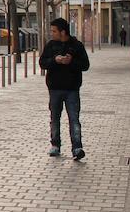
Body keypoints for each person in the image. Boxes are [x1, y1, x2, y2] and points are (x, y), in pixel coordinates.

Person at [39, 17, 91, 160]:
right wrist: (55, 61)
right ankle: (55, 145)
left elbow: (85, 65)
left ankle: (77, 148)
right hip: (54, 88)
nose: (52, 33)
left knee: (74, 118)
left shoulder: (76, 45)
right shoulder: (50, 45)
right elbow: (42, 63)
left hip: (72, 89)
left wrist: (71, 61)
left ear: (63, 32)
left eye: (54, 31)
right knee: (54, 118)